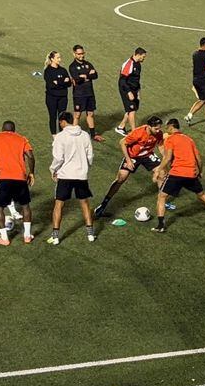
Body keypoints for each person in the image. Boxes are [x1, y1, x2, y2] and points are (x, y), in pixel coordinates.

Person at [94, 115, 164, 218]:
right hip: (133, 156)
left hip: (147, 154)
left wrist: (165, 158)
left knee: (161, 172)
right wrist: (128, 160)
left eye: (159, 128)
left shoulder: (158, 134)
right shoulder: (138, 133)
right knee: (121, 178)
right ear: (149, 126)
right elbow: (122, 142)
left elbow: (161, 144)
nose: (158, 130)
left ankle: (163, 201)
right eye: (156, 128)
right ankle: (102, 205)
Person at [154, 118, 205, 233]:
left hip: (176, 173)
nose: (166, 130)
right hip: (191, 174)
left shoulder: (170, 139)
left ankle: (160, 225)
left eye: (167, 127)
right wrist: (200, 172)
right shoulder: (189, 139)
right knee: (202, 195)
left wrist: (159, 169)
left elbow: (167, 158)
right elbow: (199, 159)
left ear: (172, 127)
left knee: (161, 197)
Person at [49, 113, 97, 245]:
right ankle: (90, 234)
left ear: (64, 122)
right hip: (81, 175)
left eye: (60, 122)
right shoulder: (85, 135)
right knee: (84, 203)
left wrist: (53, 170)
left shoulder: (60, 137)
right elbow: (90, 155)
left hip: (65, 175)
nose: (60, 124)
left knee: (59, 204)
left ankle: (55, 235)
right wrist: (85, 168)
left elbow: (58, 158)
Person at [0, 120, 35, 246]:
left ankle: (4, 238)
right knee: (25, 206)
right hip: (20, 177)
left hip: (4, 178)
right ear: (14, 130)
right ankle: (27, 236)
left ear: (2, 129)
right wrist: (31, 173)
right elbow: (30, 156)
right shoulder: (22, 139)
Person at [68, 45, 102, 140]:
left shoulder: (88, 64)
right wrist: (88, 75)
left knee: (90, 114)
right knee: (77, 114)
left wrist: (84, 76)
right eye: (79, 54)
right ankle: (73, 134)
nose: (81, 56)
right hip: (79, 94)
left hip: (89, 93)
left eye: (82, 53)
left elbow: (95, 75)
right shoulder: (72, 66)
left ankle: (93, 134)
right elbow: (77, 79)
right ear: (74, 54)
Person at [116, 47, 146, 134]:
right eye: (143, 57)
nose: (144, 58)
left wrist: (138, 92)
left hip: (134, 90)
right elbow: (122, 80)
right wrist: (129, 92)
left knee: (132, 109)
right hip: (126, 89)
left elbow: (136, 79)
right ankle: (134, 132)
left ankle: (121, 127)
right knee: (131, 110)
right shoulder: (129, 64)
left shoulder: (138, 64)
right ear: (138, 55)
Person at [42, 51, 72, 136]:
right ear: (52, 59)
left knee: (62, 117)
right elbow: (51, 85)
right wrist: (63, 82)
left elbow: (69, 83)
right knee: (53, 117)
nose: (60, 59)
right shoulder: (48, 71)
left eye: (60, 57)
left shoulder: (63, 70)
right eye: (57, 58)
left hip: (63, 97)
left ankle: (62, 135)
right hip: (52, 98)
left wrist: (58, 82)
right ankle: (54, 136)